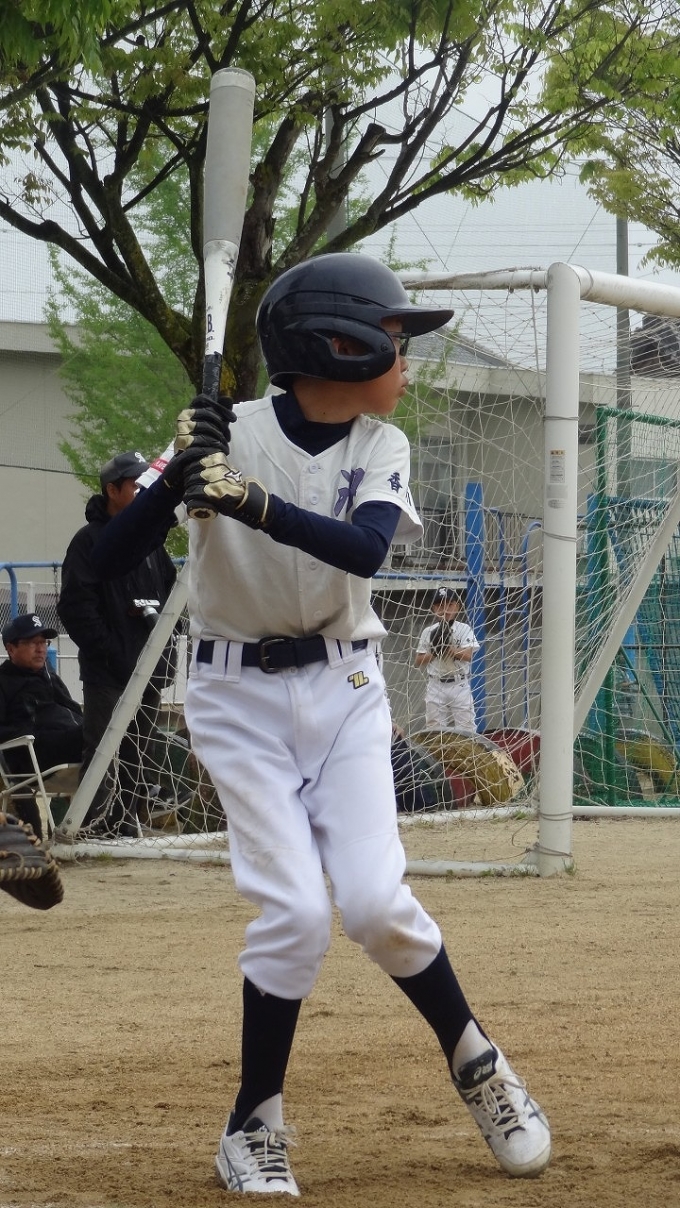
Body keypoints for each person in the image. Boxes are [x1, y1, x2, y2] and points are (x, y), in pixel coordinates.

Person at [89, 253, 551, 1194]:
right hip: (235, 699)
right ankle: (252, 1124)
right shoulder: (223, 434)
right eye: (392, 342)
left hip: (346, 689)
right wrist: (179, 478)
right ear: (336, 348)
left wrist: (252, 502)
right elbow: (102, 561)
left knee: (377, 905)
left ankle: (479, 1063)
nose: (405, 362)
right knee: (297, 913)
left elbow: (366, 551)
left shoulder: (383, 444)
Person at [57, 451, 178, 836]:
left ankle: (129, 824)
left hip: (149, 669)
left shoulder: (152, 542)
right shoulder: (88, 541)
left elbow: (170, 595)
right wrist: (113, 651)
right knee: (103, 750)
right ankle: (93, 829)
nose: (143, 492)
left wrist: (167, 646)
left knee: (139, 751)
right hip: (109, 672)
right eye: (135, 486)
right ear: (112, 490)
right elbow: (75, 608)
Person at [0, 613, 83, 776]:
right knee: (101, 733)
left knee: (119, 727)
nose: (40, 649)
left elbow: (74, 712)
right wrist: (35, 735)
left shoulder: (50, 677)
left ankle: (134, 787)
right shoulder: (4, 682)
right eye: (33, 642)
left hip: (73, 743)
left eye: (43, 642)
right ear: (11, 648)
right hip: (37, 754)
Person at [414, 587, 480, 732]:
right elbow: (418, 661)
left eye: (450, 605)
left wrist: (448, 648)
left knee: (467, 729)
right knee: (434, 730)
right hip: (435, 684)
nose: (445, 609)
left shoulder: (464, 629)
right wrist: (435, 651)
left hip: (459, 684)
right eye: (440, 605)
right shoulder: (428, 631)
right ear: (433, 609)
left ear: (457, 607)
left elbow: (469, 656)